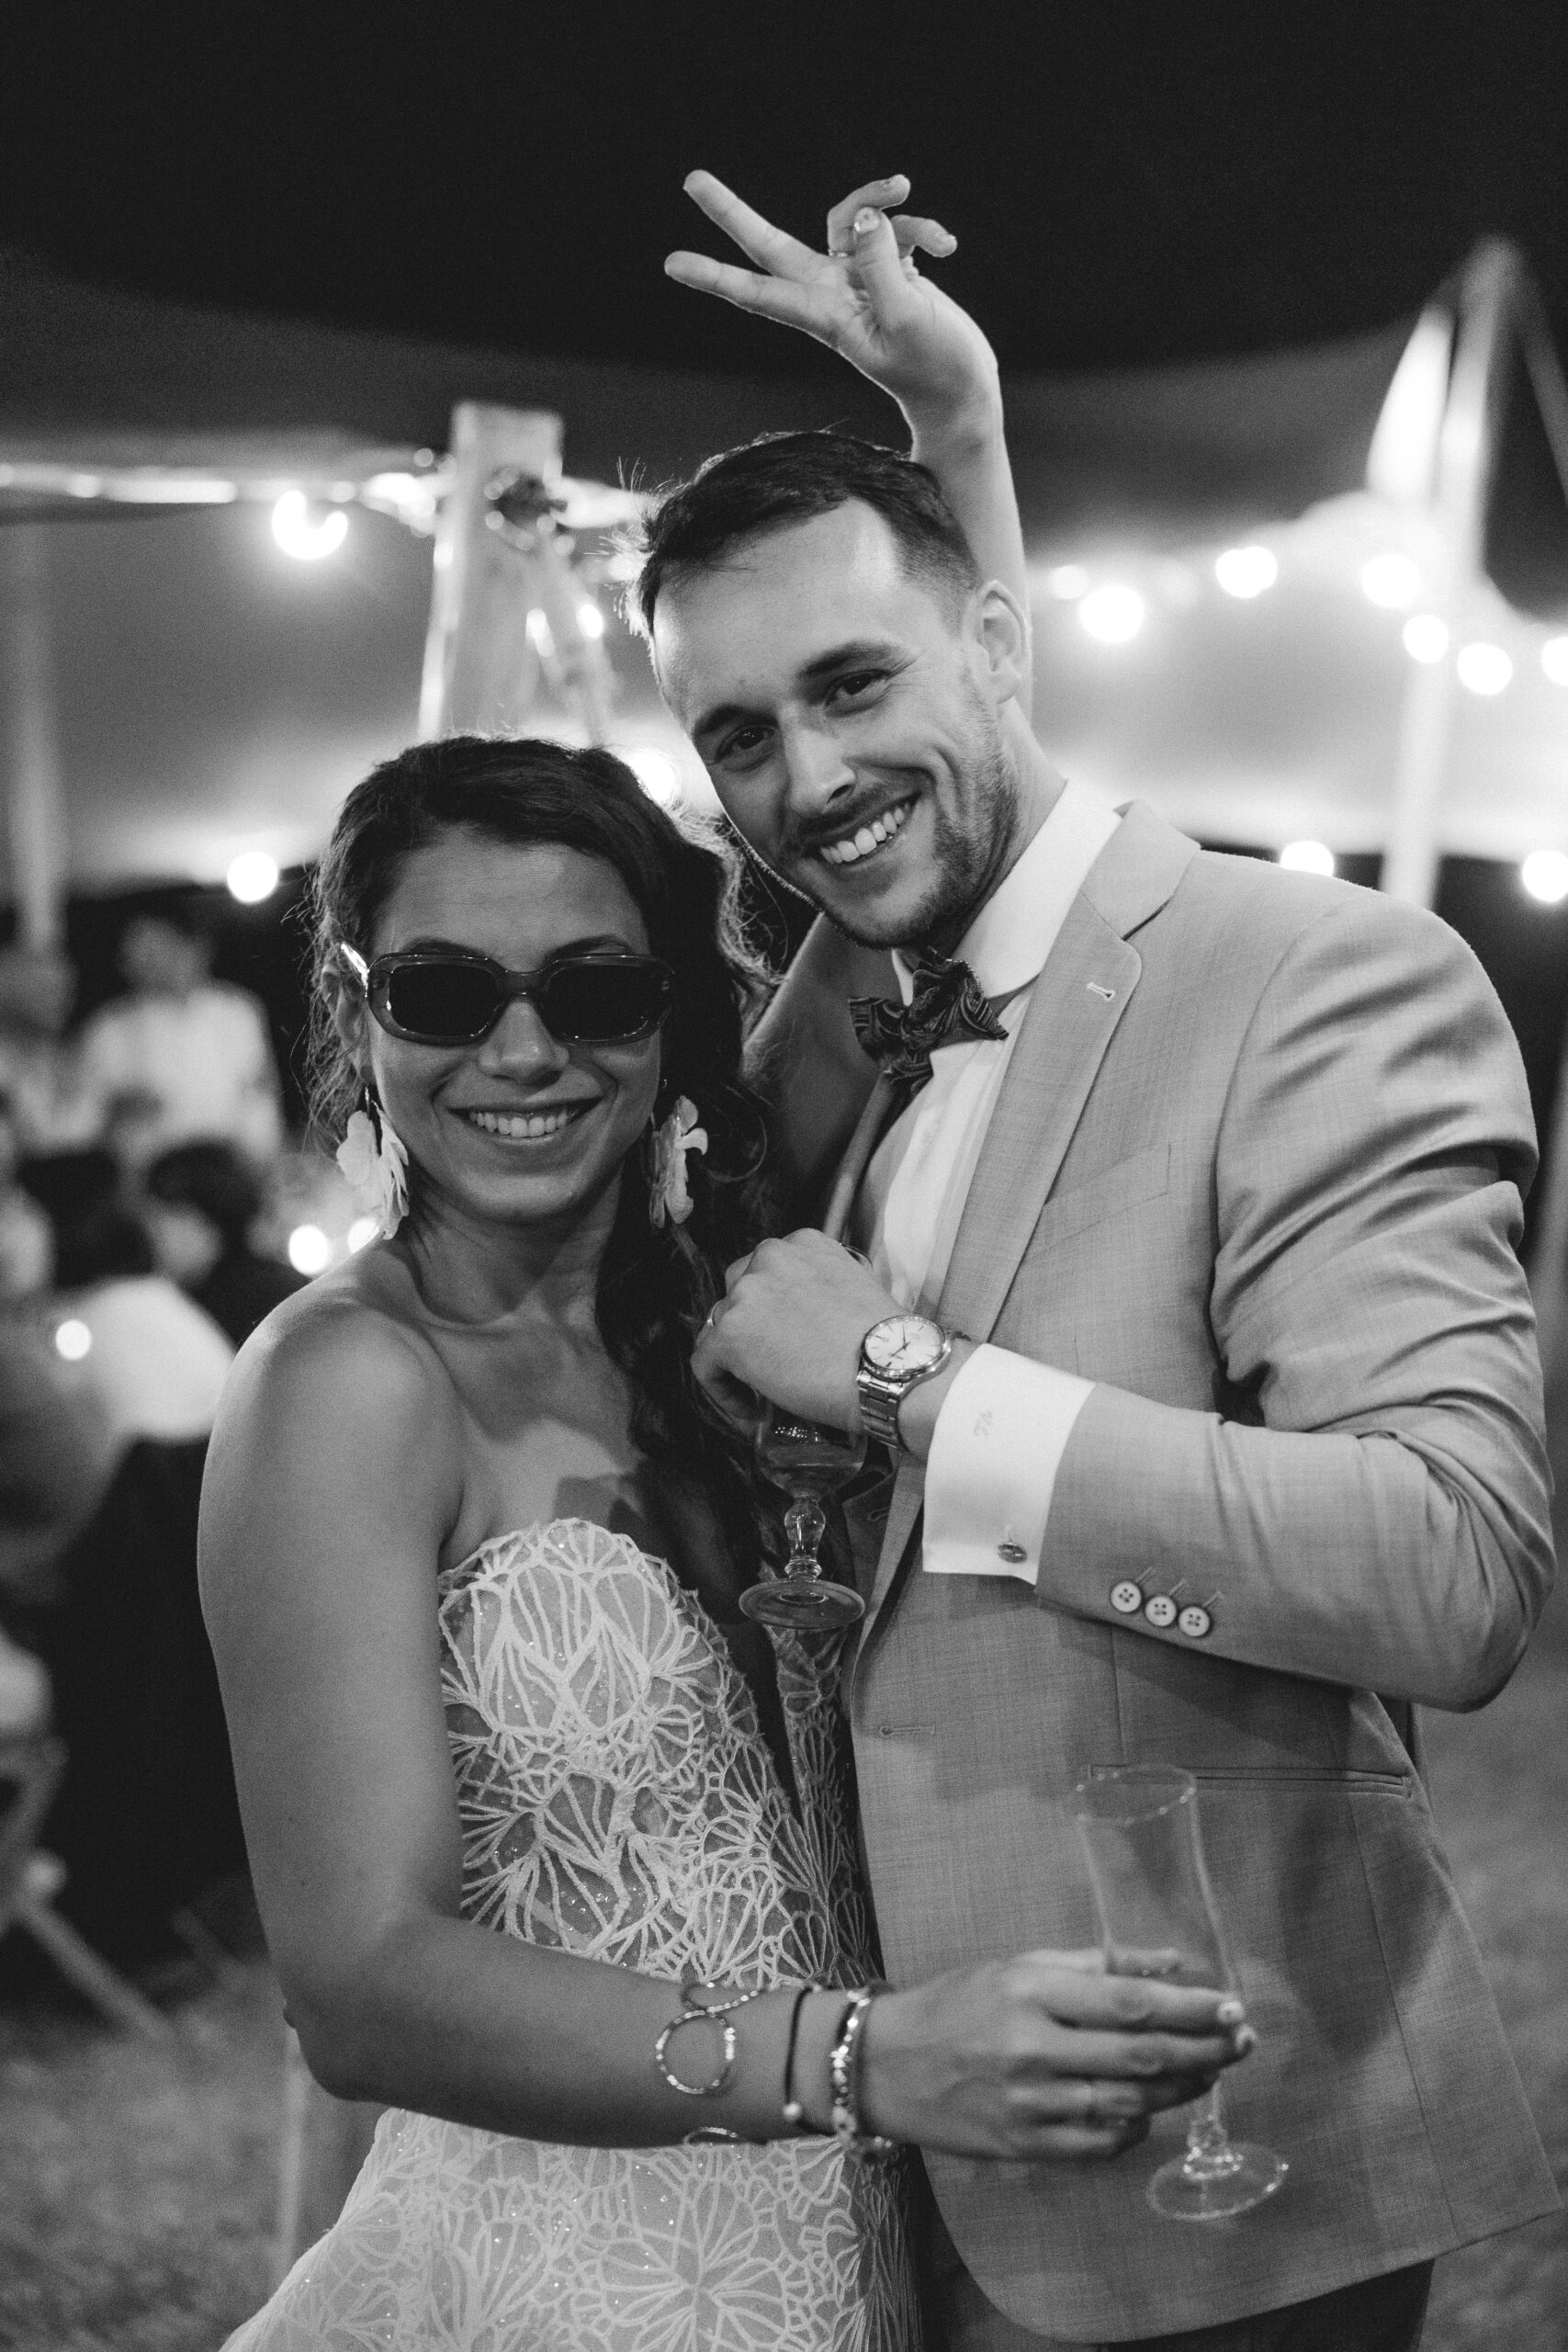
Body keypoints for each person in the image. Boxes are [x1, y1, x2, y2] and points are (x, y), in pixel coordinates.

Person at [642, 182, 1562, 2348]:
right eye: (738, 733)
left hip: (1215, 2141)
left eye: (850, 682)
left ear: (992, 645)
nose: (805, 776)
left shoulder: (1312, 975)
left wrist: (909, 1380)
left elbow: (1446, 1571)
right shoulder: (831, 1036)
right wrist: (949, 428)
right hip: (868, 2156)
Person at [201, 727, 1247, 2349]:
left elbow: (924, 847)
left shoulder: (733, 1320)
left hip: (871, 2256)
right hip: (568, 2281)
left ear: (674, 1013)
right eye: (443, 994)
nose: (523, 1052)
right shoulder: (344, 1384)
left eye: (597, 991)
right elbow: (358, 1986)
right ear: (355, 1006)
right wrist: (861, 2060)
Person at [77, 907, 285, 1174]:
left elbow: (262, 1093)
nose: (142, 958)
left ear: (188, 945)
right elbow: (88, 1119)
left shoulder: (237, 1011)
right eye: (134, 950)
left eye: (154, 945)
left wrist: (263, 1160)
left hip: (234, 1171)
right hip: (153, 1176)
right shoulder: (111, 1027)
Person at [142, 1137, 305, 1346]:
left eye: (160, 1215)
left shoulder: (201, 1309)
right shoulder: (287, 1286)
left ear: (203, 1222)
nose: (150, 1234)